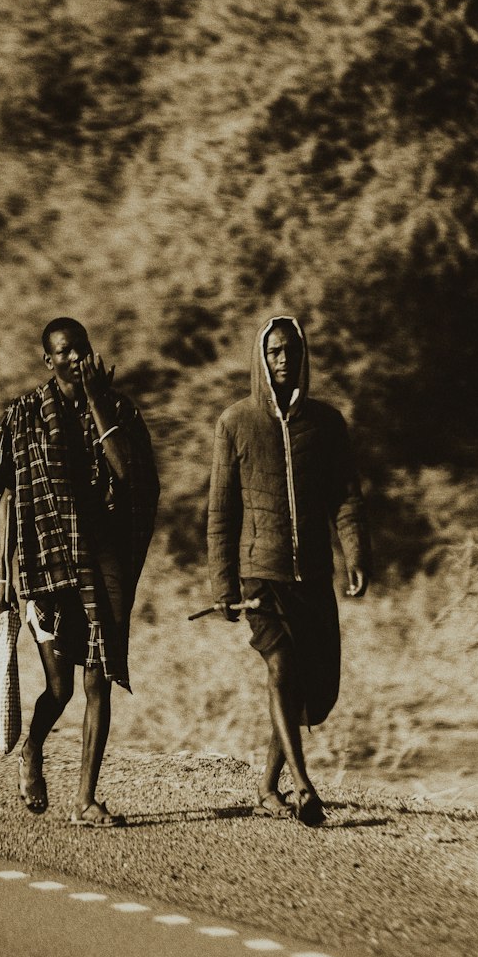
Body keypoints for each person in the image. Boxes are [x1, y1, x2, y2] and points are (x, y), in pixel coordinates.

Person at [0, 317, 158, 826]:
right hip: (48, 562)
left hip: (106, 557)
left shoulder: (117, 409)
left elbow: (128, 473)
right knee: (61, 688)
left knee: (99, 678)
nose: (76, 358)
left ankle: (86, 800)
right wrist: (0, 575)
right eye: (64, 351)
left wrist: (97, 403)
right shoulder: (23, 416)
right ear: (47, 360)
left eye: (82, 349)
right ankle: (34, 750)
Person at [207, 315, 370, 826]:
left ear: (303, 356)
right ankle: (303, 787)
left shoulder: (326, 423)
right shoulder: (236, 423)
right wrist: (223, 585)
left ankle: (267, 788)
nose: (282, 361)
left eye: (290, 351)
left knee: (307, 685)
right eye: (273, 352)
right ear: (260, 358)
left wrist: (356, 555)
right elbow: (221, 511)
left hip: (313, 576)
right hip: (261, 575)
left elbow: (345, 498)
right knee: (281, 666)